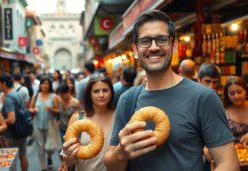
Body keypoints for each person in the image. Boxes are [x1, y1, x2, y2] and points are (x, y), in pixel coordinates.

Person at [104, 10, 239, 171]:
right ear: (135, 49)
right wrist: (121, 153)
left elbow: (228, 163)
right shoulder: (127, 100)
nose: (154, 47)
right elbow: (112, 166)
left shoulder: (203, 97)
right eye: (145, 41)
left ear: (174, 46)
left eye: (162, 39)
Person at [62, 73, 115, 171]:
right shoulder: (78, 118)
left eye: (105, 90)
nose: (101, 95)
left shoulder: (119, 116)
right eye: (96, 91)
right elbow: (68, 161)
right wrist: (68, 155)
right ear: (89, 95)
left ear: (111, 92)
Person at [29, 76, 60, 170]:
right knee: (40, 147)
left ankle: (49, 157)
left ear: (49, 85)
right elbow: (30, 108)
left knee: (49, 147)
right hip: (37, 125)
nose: (44, 85)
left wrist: (52, 109)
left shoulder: (54, 96)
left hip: (49, 125)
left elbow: (58, 111)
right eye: (42, 83)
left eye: (46, 83)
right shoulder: (36, 95)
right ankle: (43, 167)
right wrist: (33, 110)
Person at [0, 74, 28, 171]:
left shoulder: (8, 98)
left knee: (10, 158)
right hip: (22, 130)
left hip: (12, 133)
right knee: (23, 155)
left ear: (4, 84)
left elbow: (11, 119)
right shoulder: (16, 93)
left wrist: (1, 122)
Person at [223, 76, 248, 144]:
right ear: (227, 95)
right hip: (232, 152)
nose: (236, 96)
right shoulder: (223, 112)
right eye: (232, 93)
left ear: (245, 91)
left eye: (239, 92)